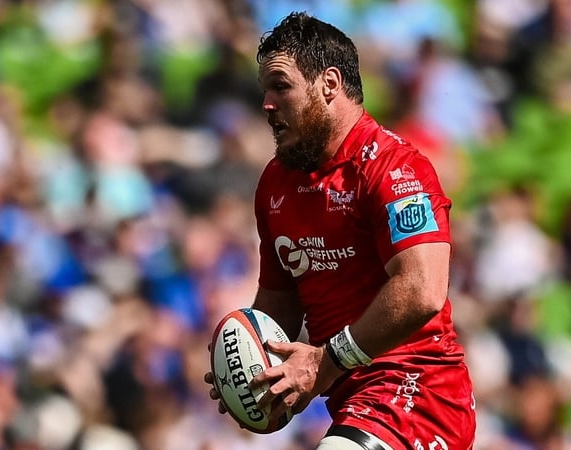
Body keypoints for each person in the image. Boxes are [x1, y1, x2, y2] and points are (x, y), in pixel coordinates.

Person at [204, 12, 476, 450]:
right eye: (264, 90)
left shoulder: (395, 169)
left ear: (329, 84)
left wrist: (325, 361)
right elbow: (279, 303)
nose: (267, 104)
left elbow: (424, 290)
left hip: (419, 392)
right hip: (353, 403)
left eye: (281, 86)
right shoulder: (276, 183)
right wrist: (254, 370)